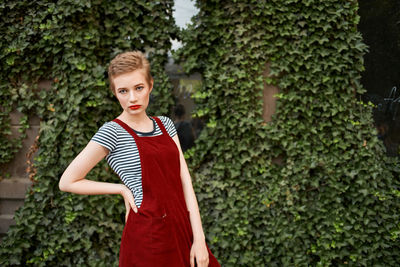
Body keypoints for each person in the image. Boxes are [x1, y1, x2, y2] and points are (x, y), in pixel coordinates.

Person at [59, 51, 220, 267]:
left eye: (139, 88)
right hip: (147, 237)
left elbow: (185, 182)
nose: (132, 98)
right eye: (123, 91)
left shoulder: (166, 125)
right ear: (115, 93)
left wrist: (199, 239)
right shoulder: (112, 132)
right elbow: (67, 181)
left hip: (182, 228)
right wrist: (121, 189)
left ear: (150, 86)